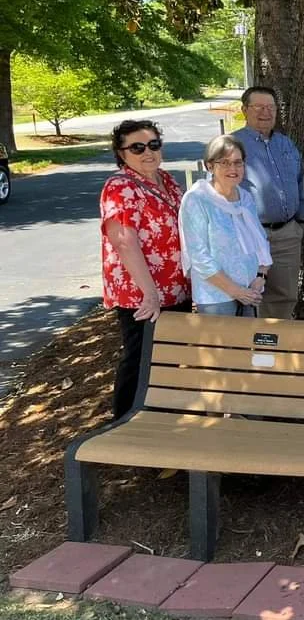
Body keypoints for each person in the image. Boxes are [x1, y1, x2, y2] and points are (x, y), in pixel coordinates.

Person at [100, 120, 190, 419]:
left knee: (169, 359)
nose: (147, 152)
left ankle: (160, 420)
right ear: (121, 153)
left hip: (176, 288)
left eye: (153, 145)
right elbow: (124, 241)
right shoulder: (120, 187)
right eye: (137, 147)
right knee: (140, 360)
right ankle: (125, 425)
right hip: (142, 294)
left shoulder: (166, 180)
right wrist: (150, 294)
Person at [232, 86, 304, 319]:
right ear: (245, 110)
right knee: (251, 296)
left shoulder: (285, 144)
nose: (266, 112)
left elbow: (300, 179)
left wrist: (300, 220)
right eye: (259, 107)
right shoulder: (232, 145)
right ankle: (254, 351)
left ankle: (278, 349)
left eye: (271, 107)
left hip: (287, 234)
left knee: (285, 296)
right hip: (248, 237)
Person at [179, 135, 272, 316]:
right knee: (222, 345)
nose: (233, 168)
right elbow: (200, 258)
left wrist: (261, 277)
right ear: (210, 166)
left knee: (246, 343)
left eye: (238, 162)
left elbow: (260, 240)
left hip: (250, 289)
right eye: (225, 162)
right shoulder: (197, 199)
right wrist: (237, 292)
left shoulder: (245, 197)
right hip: (216, 296)